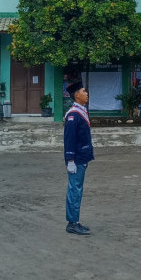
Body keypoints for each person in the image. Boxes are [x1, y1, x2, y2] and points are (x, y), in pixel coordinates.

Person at [63, 81, 94, 235]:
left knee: (77, 189)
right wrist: (70, 161)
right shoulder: (73, 115)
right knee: (75, 190)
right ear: (77, 95)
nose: (86, 93)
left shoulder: (80, 111)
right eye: (84, 91)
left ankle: (74, 221)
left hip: (82, 157)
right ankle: (72, 223)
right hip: (76, 160)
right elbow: (69, 140)